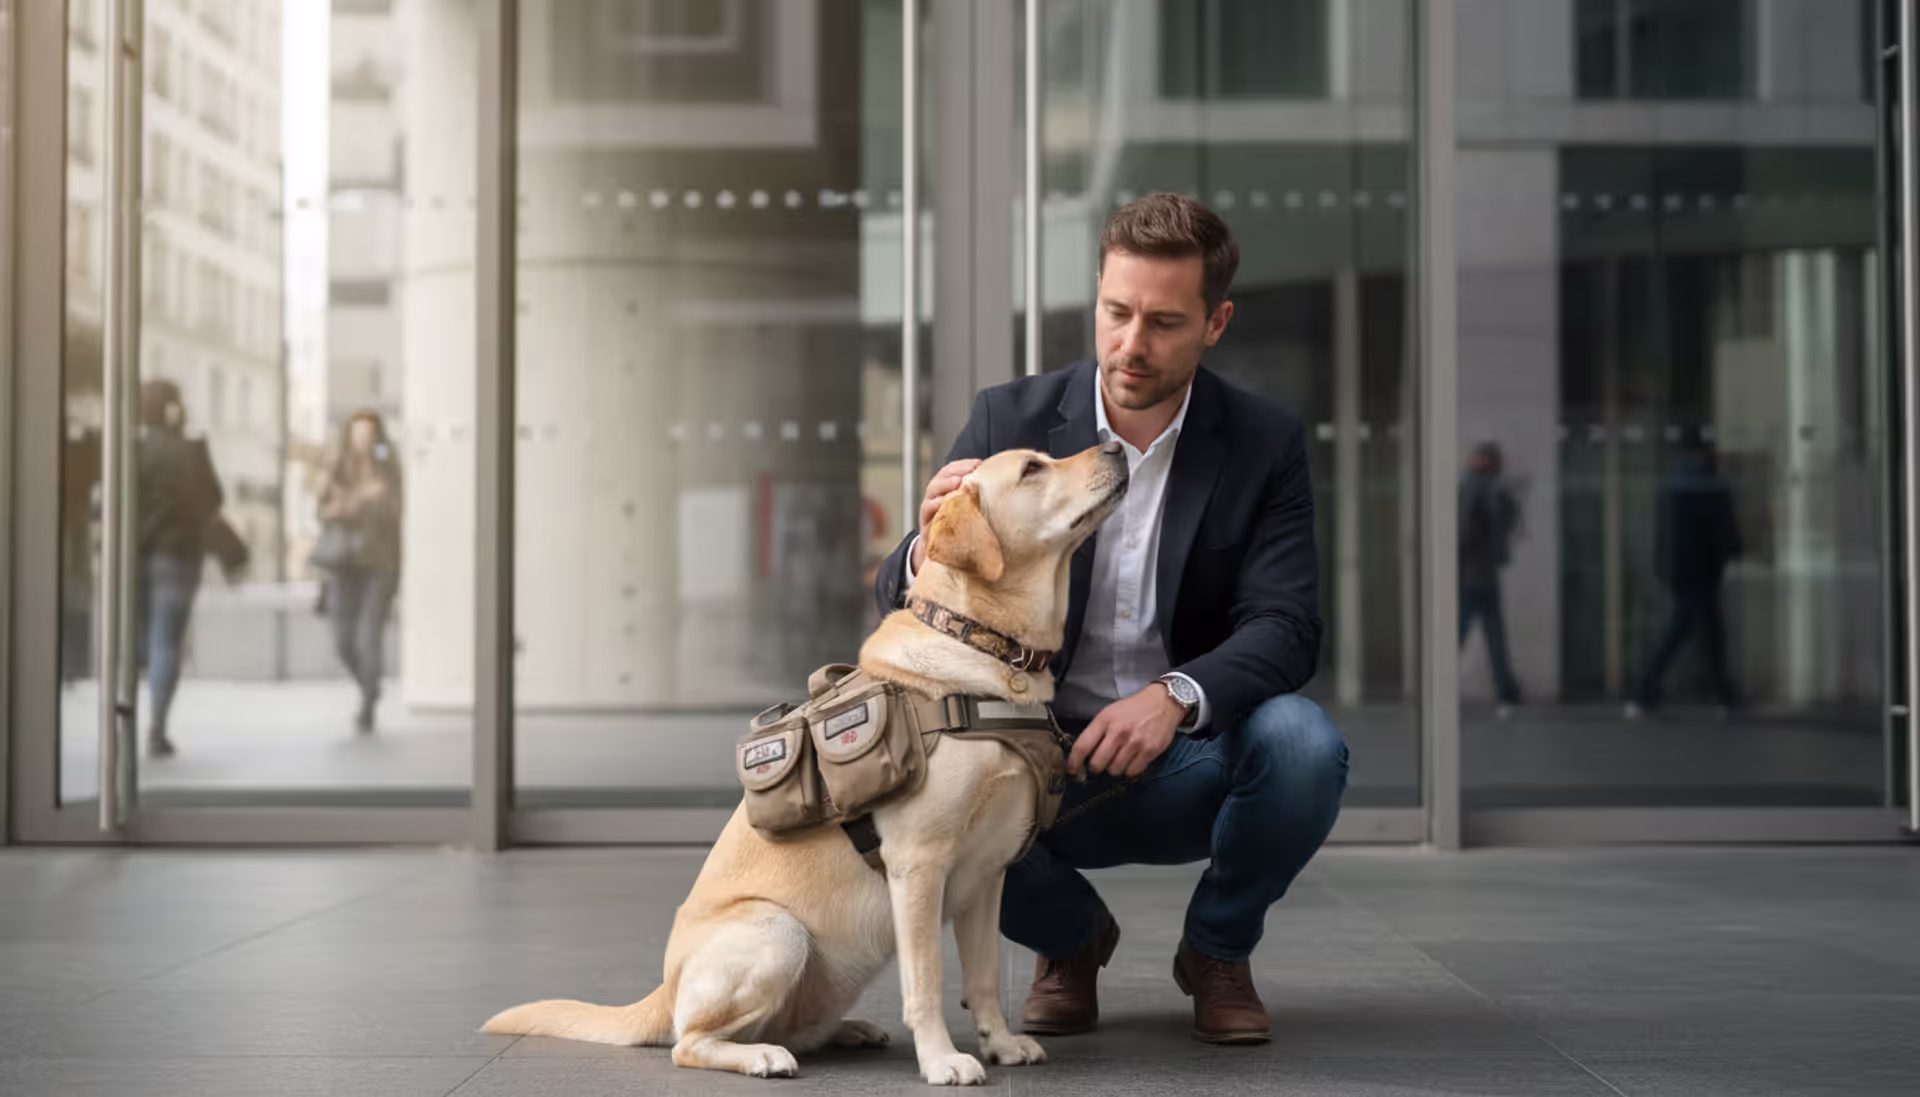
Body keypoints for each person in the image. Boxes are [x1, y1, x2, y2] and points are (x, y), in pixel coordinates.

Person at [873, 193, 1345, 1045]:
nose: (1131, 344)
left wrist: (1174, 695)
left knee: (1304, 744)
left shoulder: (1264, 442)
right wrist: (924, 544)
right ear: (1096, 294)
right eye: (1116, 312)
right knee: (922, 786)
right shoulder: (1008, 419)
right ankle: (1069, 945)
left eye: (1164, 321)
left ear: (1216, 321)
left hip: (1184, 758)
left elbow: (1287, 625)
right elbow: (899, 598)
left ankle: (1217, 951)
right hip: (1029, 760)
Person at [133, 380, 229, 759]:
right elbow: (214, 498)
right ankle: (157, 726)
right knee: (166, 640)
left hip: (137, 554)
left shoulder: (134, 448)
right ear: (174, 407)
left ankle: (140, 711)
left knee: (146, 639)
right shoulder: (190, 448)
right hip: (180, 556)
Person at [1628, 436, 1742, 719]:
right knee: (1695, 635)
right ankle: (1647, 691)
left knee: (1699, 634)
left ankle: (1721, 694)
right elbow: (1725, 532)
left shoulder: (1672, 486)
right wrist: (1732, 551)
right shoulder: (1711, 488)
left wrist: (1664, 569)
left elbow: (1663, 535)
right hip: (1703, 573)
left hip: (1682, 573)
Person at [316, 411, 403, 733]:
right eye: (358, 432)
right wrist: (357, 499)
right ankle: (369, 686)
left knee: (370, 638)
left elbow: (394, 508)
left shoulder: (388, 468)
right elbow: (323, 510)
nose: (363, 439)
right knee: (342, 640)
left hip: (380, 564)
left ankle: (367, 705)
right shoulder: (337, 466)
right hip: (343, 564)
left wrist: (358, 502)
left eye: (369, 432)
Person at [1457, 441, 1523, 715]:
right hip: (1486, 573)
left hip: (1468, 574)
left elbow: (1462, 532)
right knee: (1494, 634)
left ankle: (1435, 684)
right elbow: (1511, 518)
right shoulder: (1498, 489)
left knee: (1456, 633)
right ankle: (1507, 691)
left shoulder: (1472, 488)